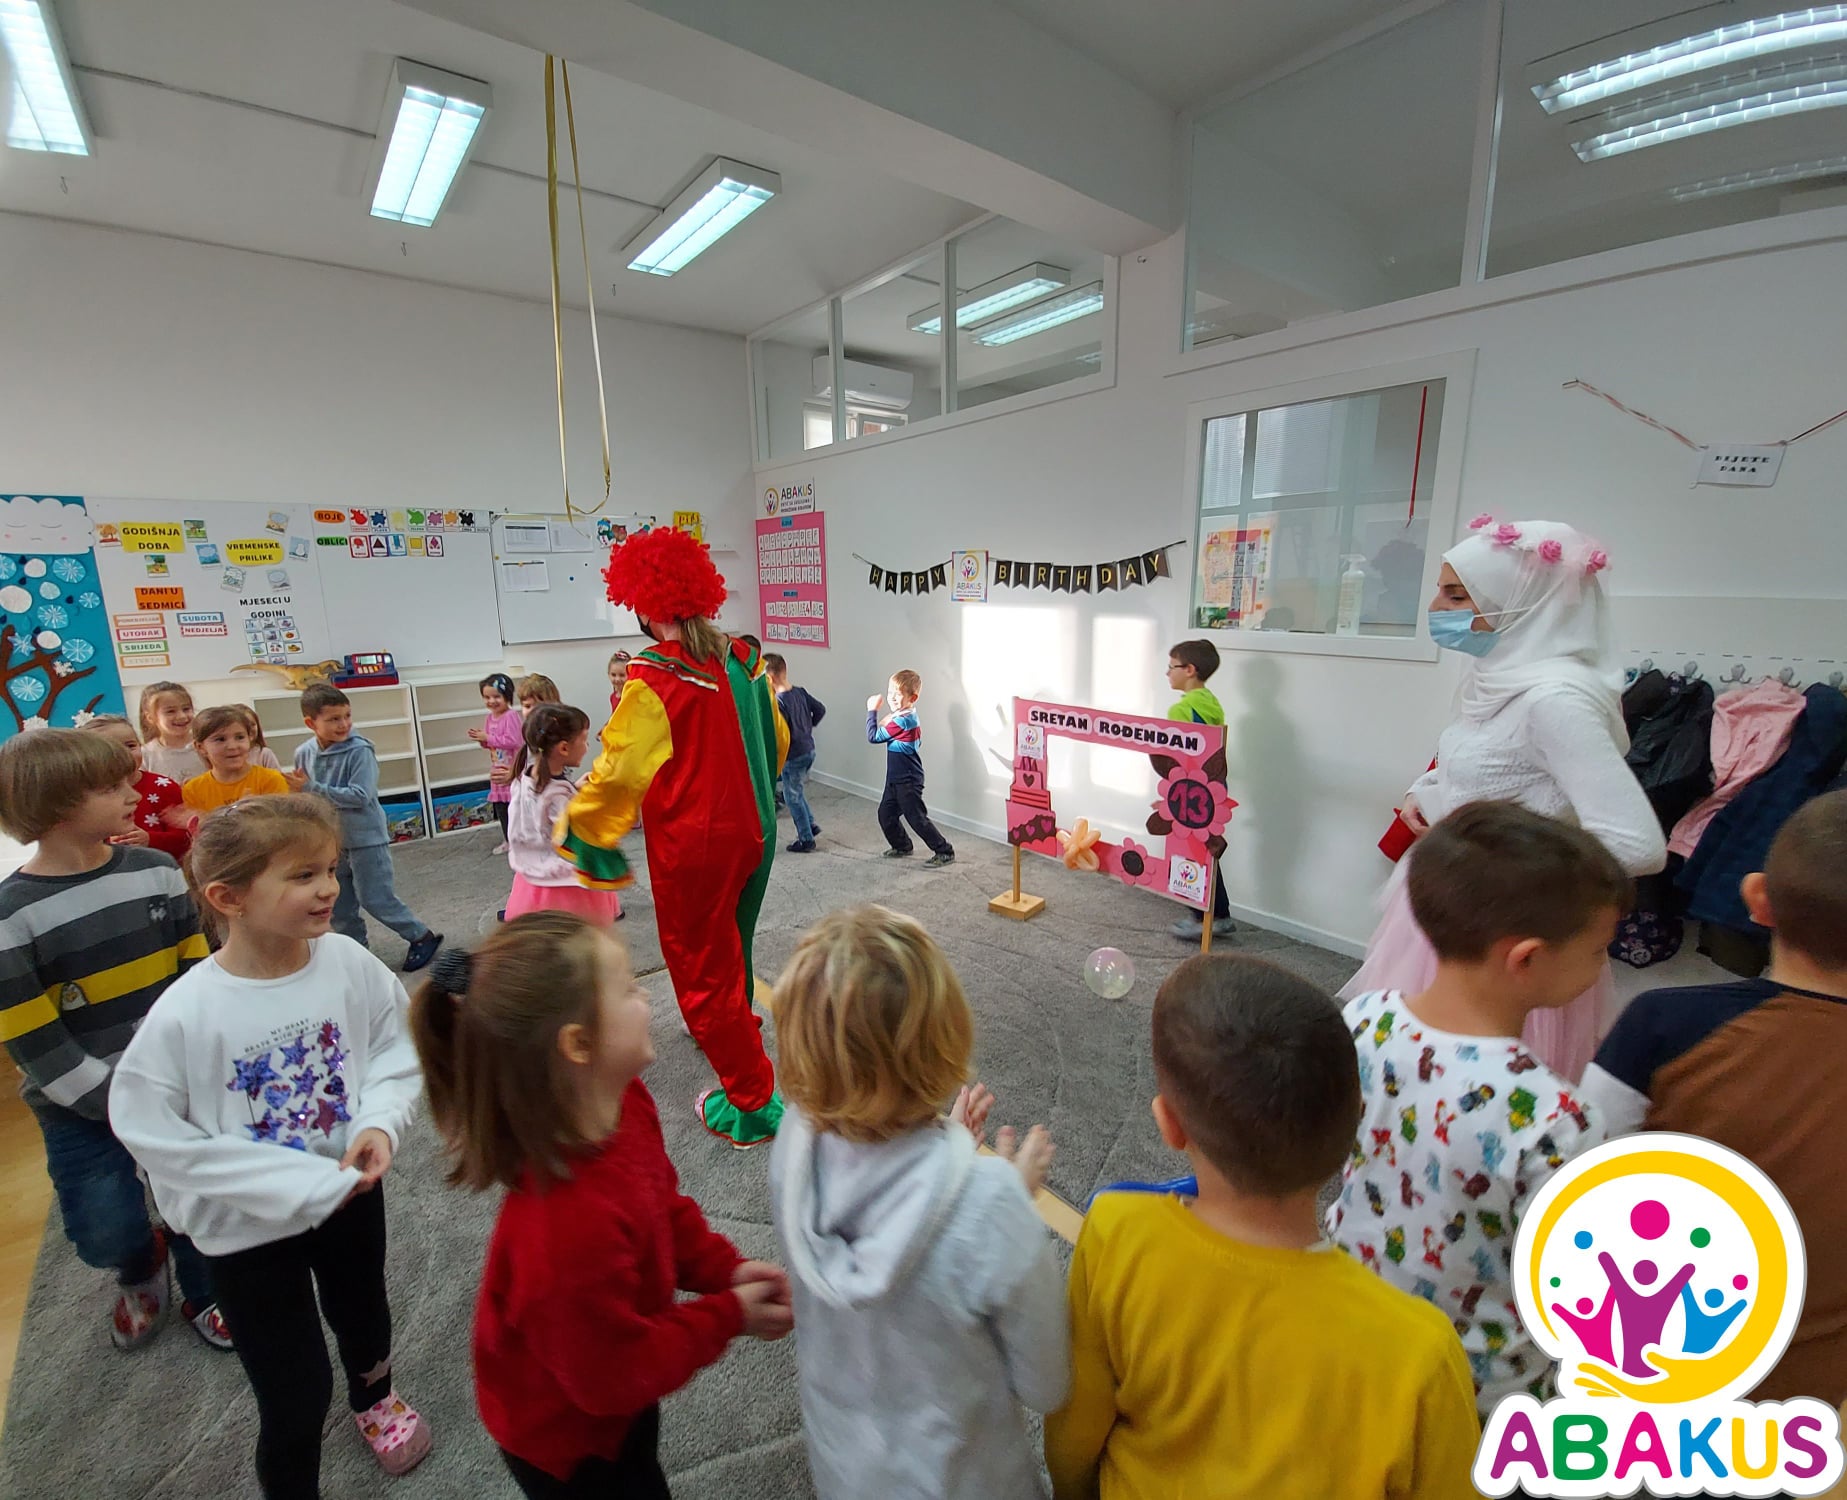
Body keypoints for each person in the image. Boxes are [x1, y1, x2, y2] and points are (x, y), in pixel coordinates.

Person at [1044, 953, 1481, 1500]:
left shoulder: (1115, 1230)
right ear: (1356, 1120)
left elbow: (1074, 1428)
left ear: (1169, 1125)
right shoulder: (1423, 1352)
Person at [110, 795, 431, 1496]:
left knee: (363, 1312)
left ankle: (375, 1395)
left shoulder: (347, 961)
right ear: (228, 898)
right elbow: (153, 1133)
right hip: (245, 1230)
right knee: (292, 1388)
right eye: (302, 875)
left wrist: (379, 1122)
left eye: (330, 869)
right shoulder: (185, 1013)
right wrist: (293, 1185)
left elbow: (394, 1045)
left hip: (350, 1192)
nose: (328, 888)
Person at [411, 916, 794, 1499]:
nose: (647, 996)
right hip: (568, 1441)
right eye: (629, 988)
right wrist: (727, 1316)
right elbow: (611, 1377)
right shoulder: (564, 1231)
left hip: (611, 1374)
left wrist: (724, 1271)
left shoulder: (624, 1102)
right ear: (579, 1044)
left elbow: (661, 1206)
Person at [1328, 802, 1629, 1415]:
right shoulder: (1558, 1118)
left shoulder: (1363, 1018)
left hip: (1351, 1314)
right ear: (1526, 959)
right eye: (1600, 950)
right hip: (1477, 1383)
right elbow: (1576, 1285)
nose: (1603, 965)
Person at [1341, 518, 1667, 1083]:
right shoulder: (1497, 675)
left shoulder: (1555, 701)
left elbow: (1637, 845)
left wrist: (1498, 865)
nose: (1435, 607)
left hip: (1499, 923)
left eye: (1455, 595)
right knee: (1410, 1067)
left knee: (1469, 1081)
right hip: (1448, 896)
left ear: (1523, 601)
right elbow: (1485, 766)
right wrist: (1426, 792)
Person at [769, 906, 1066, 1499]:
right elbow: (1047, 1383)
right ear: (946, 1040)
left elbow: (880, 1190)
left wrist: (948, 1147)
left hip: (847, 1470)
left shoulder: (793, 1146)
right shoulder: (992, 1203)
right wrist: (1007, 1195)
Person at [1579, 787, 1847, 1406]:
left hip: (1646, 1365)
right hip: (1812, 1398)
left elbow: (1579, 1178)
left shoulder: (1660, 1025)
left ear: (1757, 900)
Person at [555, 525, 790, 1148]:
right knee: (733, 942)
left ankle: (752, 1102)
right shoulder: (744, 661)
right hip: (758, 832)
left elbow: (619, 769)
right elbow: (778, 742)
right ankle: (737, 1025)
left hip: (698, 846)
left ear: (642, 606)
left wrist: (587, 829)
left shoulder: (654, 680)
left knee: (700, 965)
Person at [0, 728, 226, 1353]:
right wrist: (113, 1100)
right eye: (112, 787)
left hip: (174, 1080)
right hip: (77, 1104)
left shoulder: (157, 870)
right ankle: (139, 1264)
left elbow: (194, 968)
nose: (135, 793)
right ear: (54, 806)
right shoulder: (10, 914)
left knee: (197, 1202)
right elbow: (29, 1032)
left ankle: (206, 1291)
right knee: (103, 1227)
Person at [294, 685, 442, 972]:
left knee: (375, 898)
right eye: (334, 719)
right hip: (330, 842)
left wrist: (311, 788)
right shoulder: (304, 753)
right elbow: (305, 796)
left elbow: (360, 795)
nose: (344, 724)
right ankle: (356, 954)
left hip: (366, 838)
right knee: (339, 903)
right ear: (311, 723)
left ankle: (421, 936)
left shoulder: (360, 750)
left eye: (347, 716)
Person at [505, 703, 620, 925]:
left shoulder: (523, 779)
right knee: (575, 935)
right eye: (584, 740)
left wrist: (573, 790)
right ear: (564, 748)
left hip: (532, 877)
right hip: (564, 883)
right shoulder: (558, 796)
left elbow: (540, 815)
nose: (587, 747)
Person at [1165, 640, 1234, 942]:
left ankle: (1203, 917)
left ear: (1189, 670)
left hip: (1191, 791)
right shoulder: (1211, 702)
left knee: (1190, 853)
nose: (1167, 673)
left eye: (1171, 667)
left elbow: (1179, 757)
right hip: (1213, 786)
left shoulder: (1181, 709)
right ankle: (1219, 915)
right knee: (1207, 852)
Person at [868, 669, 954, 867]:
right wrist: (888, 719)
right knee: (886, 814)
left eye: (898, 694)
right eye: (890, 693)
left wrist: (871, 710)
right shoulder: (903, 715)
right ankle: (902, 845)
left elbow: (873, 736)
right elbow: (891, 727)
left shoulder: (904, 720)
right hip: (895, 778)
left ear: (912, 698)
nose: (892, 698)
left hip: (908, 779)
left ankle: (944, 851)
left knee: (916, 818)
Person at [83, 713, 192, 858]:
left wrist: (150, 840)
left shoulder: (164, 787)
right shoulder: (88, 795)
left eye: (130, 746)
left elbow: (187, 838)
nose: (125, 754)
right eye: (112, 749)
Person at [181, 704, 298, 814]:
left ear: (250, 738)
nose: (232, 746)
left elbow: (278, 824)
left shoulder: (271, 780)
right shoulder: (193, 790)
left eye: (240, 737)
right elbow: (203, 827)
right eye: (220, 739)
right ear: (200, 747)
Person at [765, 652, 825, 852]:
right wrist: (807, 727)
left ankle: (806, 839)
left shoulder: (778, 703)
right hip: (809, 749)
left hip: (793, 755)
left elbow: (780, 733)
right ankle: (810, 823)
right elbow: (820, 709)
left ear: (769, 678)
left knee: (791, 797)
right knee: (796, 791)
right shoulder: (800, 692)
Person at [468, 672, 522, 853]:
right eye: (487, 697)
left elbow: (514, 741)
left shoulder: (511, 716)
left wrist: (488, 737)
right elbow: (491, 744)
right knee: (501, 808)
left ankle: (518, 841)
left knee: (515, 808)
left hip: (512, 770)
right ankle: (508, 840)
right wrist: (482, 739)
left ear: (507, 696)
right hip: (497, 769)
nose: (491, 701)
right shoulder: (490, 718)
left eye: (496, 696)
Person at [138, 680, 205, 783]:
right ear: (150, 717)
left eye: (186, 709)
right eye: (170, 711)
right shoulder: (146, 755)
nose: (182, 716)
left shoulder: (206, 745)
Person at [234, 705, 285, 771]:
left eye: (253, 724)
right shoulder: (230, 756)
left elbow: (277, 776)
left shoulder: (264, 754)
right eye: (244, 725)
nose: (250, 729)